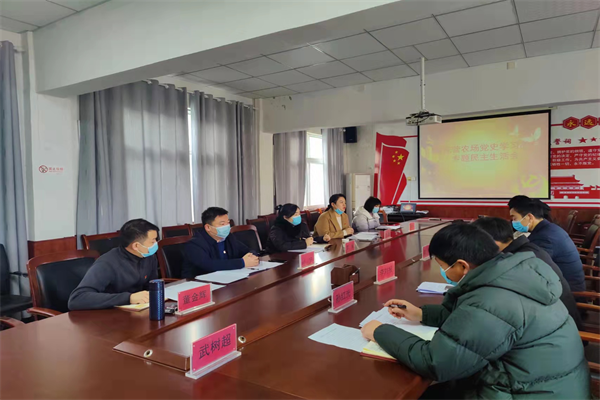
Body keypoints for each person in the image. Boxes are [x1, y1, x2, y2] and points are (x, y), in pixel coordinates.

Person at [361, 224, 589, 399]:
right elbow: (472, 322)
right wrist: (421, 314)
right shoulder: (513, 275)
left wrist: (381, 331)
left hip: (524, 392)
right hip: (547, 385)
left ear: (462, 265)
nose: (443, 273)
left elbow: (436, 362)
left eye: (443, 267)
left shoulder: (492, 299)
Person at [471, 217, 582, 330]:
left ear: (491, 241)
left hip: (557, 326)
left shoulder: (518, 261)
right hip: (560, 321)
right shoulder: (528, 250)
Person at [69, 219, 160, 310]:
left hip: (138, 310)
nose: (156, 244)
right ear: (136, 246)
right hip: (109, 313)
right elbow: (76, 299)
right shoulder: (107, 263)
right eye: (153, 241)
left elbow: (150, 286)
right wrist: (129, 298)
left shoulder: (148, 256)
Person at [509, 197, 584, 292]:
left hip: (567, 293)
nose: (513, 221)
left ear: (530, 217)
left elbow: (531, 267)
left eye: (514, 218)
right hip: (561, 285)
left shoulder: (545, 237)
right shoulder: (548, 228)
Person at [182, 207, 259, 278]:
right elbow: (209, 265)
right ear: (208, 227)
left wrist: (251, 256)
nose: (227, 226)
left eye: (228, 223)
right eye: (222, 224)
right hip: (199, 283)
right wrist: (242, 262)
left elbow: (247, 250)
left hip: (226, 278)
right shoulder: (195, 244)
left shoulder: (229, 237)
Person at [265, 204, 330, 253]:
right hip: (279, 257)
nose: (299, 217)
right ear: (285, 217)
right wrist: (304, 244)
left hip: (296, 255)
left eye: (299, 214)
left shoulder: (301, 225)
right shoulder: (277, 229)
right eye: (295, 215)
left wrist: (322, 239)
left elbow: (308, 238)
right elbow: (281, 246)